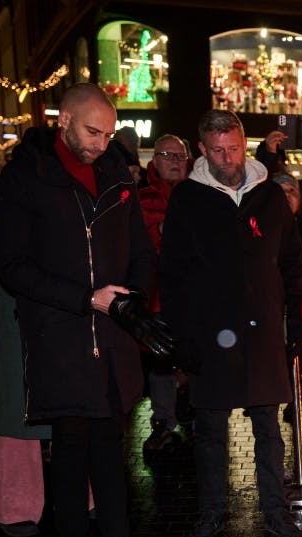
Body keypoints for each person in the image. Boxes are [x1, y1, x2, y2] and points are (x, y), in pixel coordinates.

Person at [0, 83, 169, 537]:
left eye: (108, 132)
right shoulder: (26, 177)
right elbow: (14, 268)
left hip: (112, 331)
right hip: (59, 332)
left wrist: (130, 299)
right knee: (71, 445)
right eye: (93, 131)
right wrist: (87, 297)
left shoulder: (115, 172)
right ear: (63, 120)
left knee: (110, 443)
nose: (100, 142)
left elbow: (141, 248)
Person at [159, 109, 302, 537]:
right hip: (210, 333)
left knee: (268, 427)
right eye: (218, 151)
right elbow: (173, 273)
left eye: (235, 148)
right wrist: (181, 337)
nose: (229, 158)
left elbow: (293, 263)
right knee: (209, 430)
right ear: (202, 150)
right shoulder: (188, 199)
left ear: (245, 143)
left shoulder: (270, 196)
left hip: (262, 333)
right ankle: (211, 513)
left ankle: (275, 512)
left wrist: (296, 320)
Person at [138, 133, 192, 454]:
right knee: (160, 363)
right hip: (158, 295)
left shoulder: (199, 192)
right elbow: (148, 240)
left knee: (195, 358)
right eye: (167, 155)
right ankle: (163, 423)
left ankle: (198, 417)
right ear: (154, 160)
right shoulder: (141, 196)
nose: (174, 161)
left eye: (179, 156)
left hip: (193, 297)